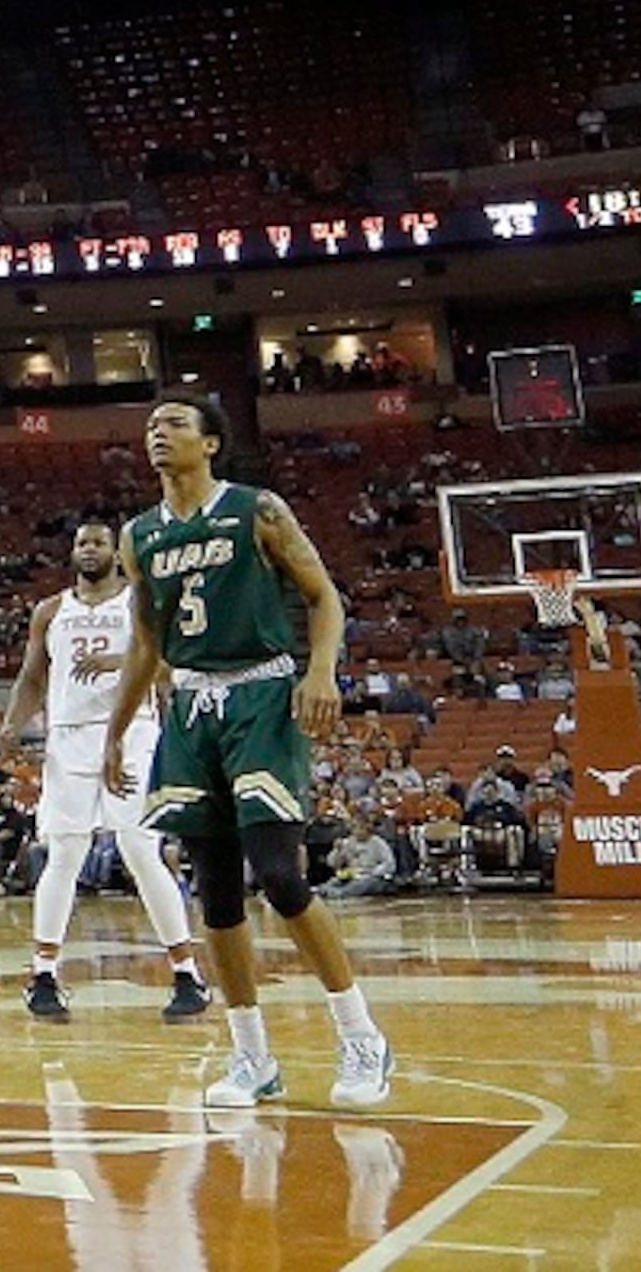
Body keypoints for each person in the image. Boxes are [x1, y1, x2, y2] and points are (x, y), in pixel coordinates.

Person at [103, 393, 395, 1110]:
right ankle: (252, 1056)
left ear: (210, 443)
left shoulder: (255, 509)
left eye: (174, 424)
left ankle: (362, 1036)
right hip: (191, 707)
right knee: (217, 895)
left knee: (280, 876)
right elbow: (147, 643)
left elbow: (325, 597)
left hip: (262, 694)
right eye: (151, 426)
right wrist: (116, 729)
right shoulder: (139, 537)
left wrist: (321, 671)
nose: (157, 434)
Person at [4, 520, 210, 1024]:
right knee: (65, 853)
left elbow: (170, 666)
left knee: (141, 849)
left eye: (98, 542)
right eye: (81, 542)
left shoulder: (141, 602)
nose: (88, 549)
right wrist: (12, 725)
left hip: (134, 731)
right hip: (69, 737)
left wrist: (121, 659)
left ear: (116, 552)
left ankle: (187, 974)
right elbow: (32, 676)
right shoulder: (50, 611)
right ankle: (44, 976)